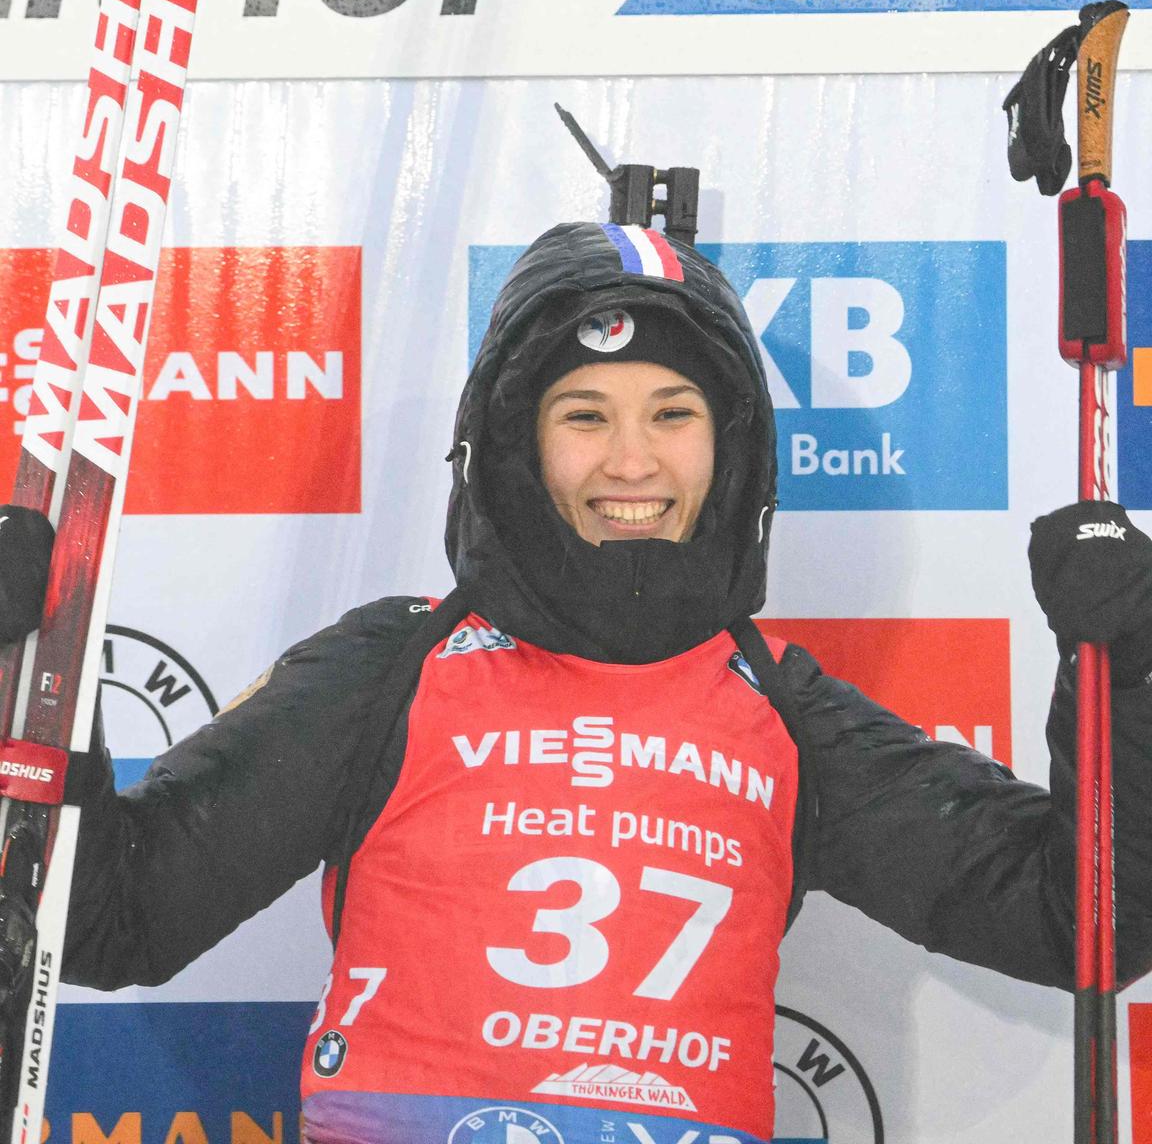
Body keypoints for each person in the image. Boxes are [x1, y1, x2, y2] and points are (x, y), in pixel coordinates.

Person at [5, 220, 1152, 1144]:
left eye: (675, 414)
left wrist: (1133, 670)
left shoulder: (781, 707)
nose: (633, 461)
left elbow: (1085, 923)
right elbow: (116, 916)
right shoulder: (393, 668)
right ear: (514, 443)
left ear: (733, 445)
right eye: (583, 415)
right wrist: (21, 664)